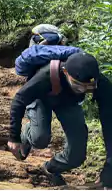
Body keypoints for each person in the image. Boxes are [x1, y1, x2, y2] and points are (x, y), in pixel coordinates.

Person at [7, 52, 112, 187]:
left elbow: (109, 121)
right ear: (65, 72)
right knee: (40, 138)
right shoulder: (44, 76)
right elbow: (19, 100)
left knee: (77, 156)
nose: (83, 90)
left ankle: (51, 168)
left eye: (89, 88)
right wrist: (14, 137)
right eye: (78, 85)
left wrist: (109, 168)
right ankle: (28, 132)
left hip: (67, 103)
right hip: (40, 98)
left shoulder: (100, 83)